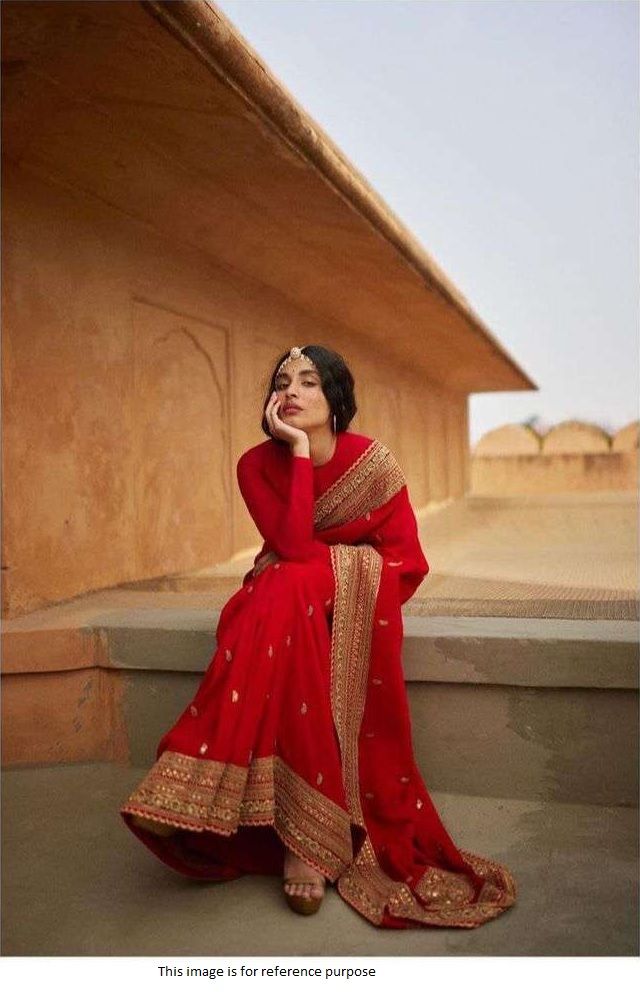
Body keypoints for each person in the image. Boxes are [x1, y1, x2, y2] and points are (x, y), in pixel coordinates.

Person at [120, 344, 516, 927]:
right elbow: (290, 542)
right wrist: (299, 453)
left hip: (357, 591)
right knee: (285, 594)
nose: (293, 391)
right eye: (283, 381)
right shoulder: (255, 465)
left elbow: (406, 559)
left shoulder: (373, 465)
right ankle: (301, 845)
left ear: (336, 400)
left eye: (309, 381)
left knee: (284, 587)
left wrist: (341, 572)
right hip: (290, 600)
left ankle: (188, 783)